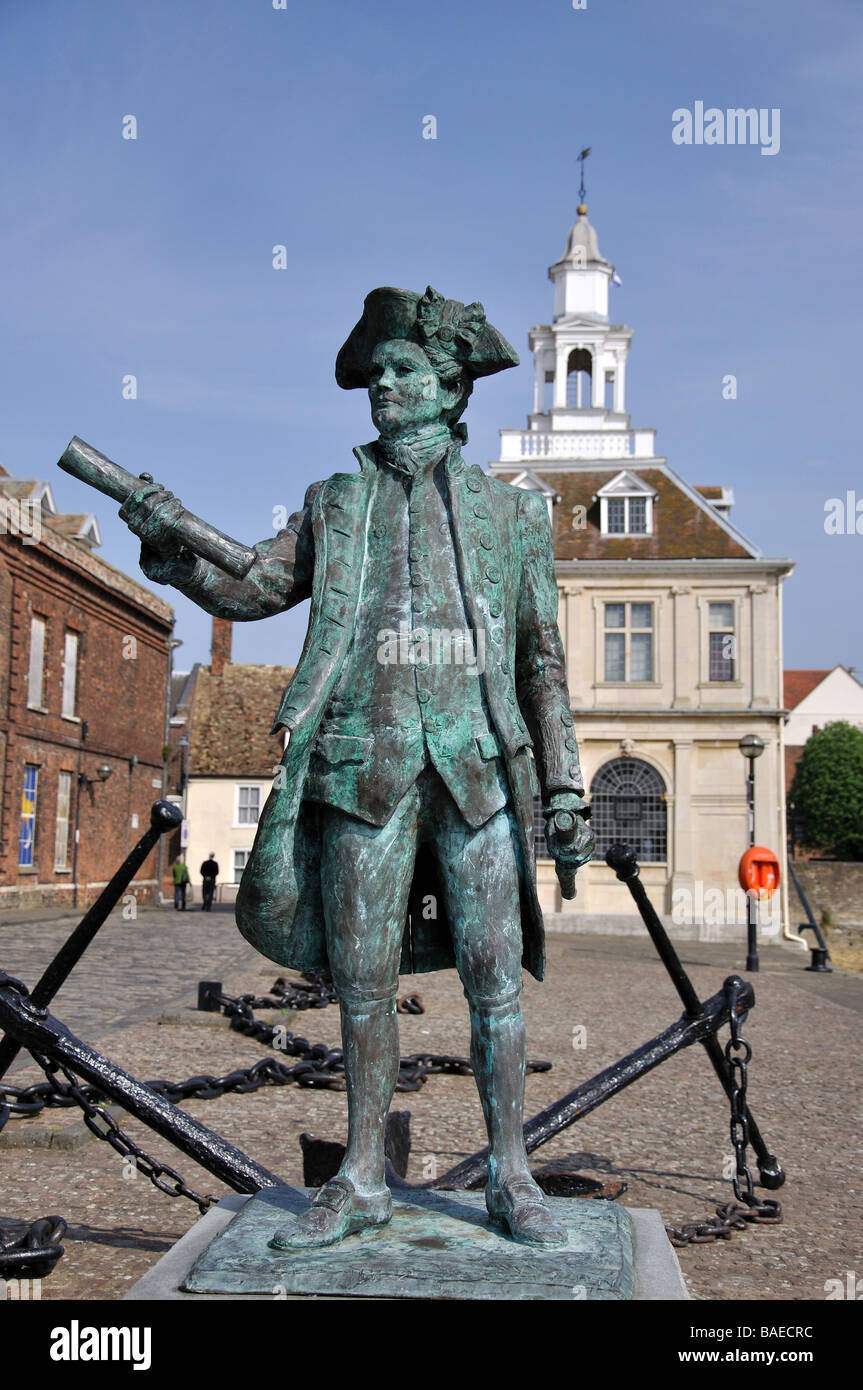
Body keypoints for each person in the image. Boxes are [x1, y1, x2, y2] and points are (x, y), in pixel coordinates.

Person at [118, 285, 595, 1251]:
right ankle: (363, 1176)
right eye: (375, 372)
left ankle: (510, 1173)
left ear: (450, 385)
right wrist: (169, 543)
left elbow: (539, 658)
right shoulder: (334, 503)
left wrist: (562, 782)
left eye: (400, 369)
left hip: (475, 770)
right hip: (357, 767)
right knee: (363, 984)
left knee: (494, 982)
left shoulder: (512, 517)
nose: (380, 384)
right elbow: (250, 583)